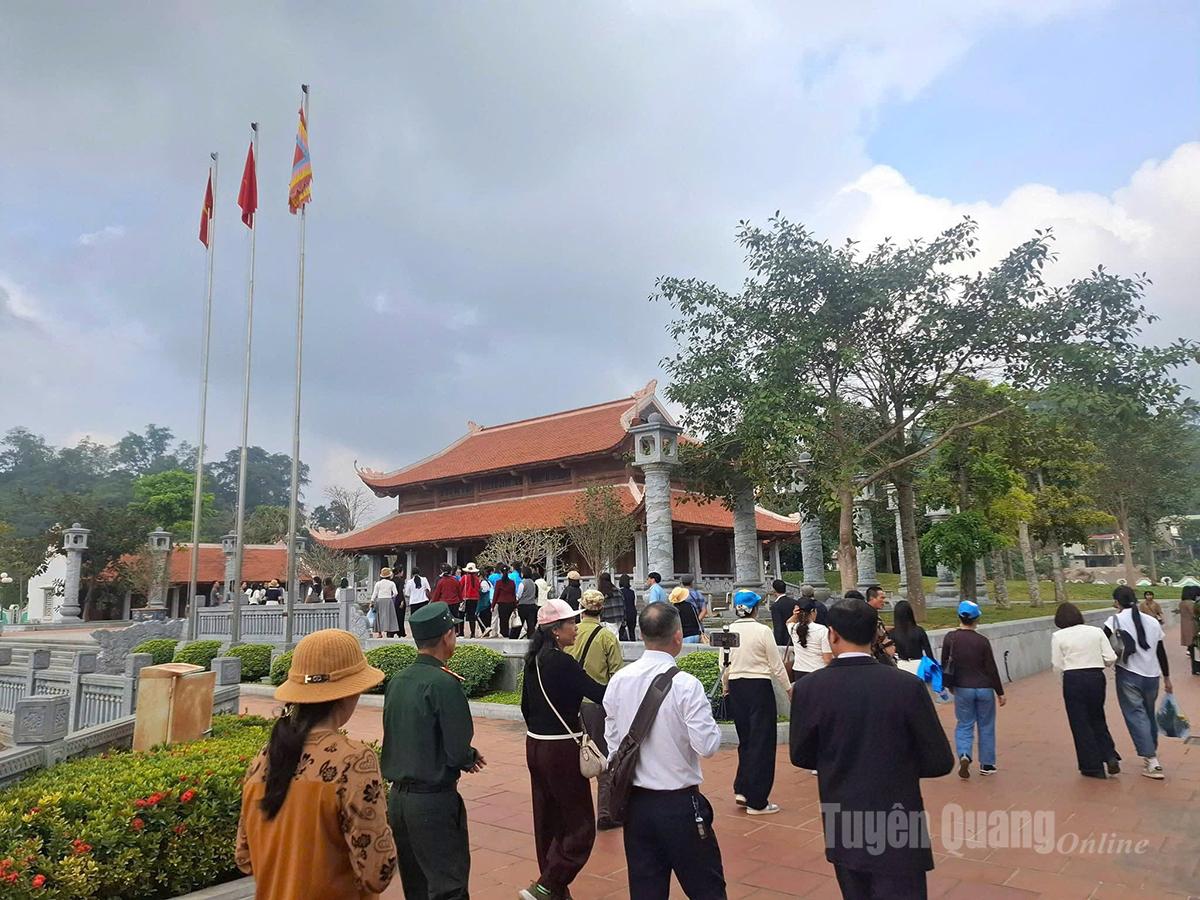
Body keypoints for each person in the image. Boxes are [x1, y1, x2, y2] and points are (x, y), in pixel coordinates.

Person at [790, 599, 955, 899]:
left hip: (844, 817)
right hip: (898, 817)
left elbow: (800, 754)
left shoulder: (808, 688)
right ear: (876, 636)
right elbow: (940, 760)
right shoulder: (906, 686)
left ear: (833, 635)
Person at [236, 629, 396, 899]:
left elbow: (244, 858)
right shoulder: (354, 760)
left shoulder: (265, 758)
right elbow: (377, 872)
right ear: (348, 693)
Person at [604, 602, 725, 900]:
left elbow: (613, 746)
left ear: (642, 634)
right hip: (679, 804)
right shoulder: (686, 685)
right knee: (707, 888)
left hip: (636, 805)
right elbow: (707, 746)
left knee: (646, 890)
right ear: (678, 636)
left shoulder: (619, 680)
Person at [383, 603, 486, 899]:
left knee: (416, 886)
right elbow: (456, 751)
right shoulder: (444, 683)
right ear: (447, 636)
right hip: (432, 801)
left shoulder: (398, 680)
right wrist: (468, 757)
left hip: (399, 801)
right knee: (448, 886)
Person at [519, 599, 607, 900]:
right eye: (572, 623)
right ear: (556, 630)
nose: (577, 628)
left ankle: (553, 890)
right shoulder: (563, 662)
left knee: (548, 820)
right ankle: (548, 884)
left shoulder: (534, 660)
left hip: (535, 745)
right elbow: (598, 694)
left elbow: (525, 708)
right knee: (581, 826)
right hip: (560, 751)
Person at [722, 590, 792, 815]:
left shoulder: (728, 630)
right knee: (762, 741)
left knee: (747, 740)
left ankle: (742, 788)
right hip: (758, 687)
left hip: (736, 687)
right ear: (754, 608)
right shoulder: (763, 631)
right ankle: (757, 800)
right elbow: (776, 664)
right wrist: (789, 688)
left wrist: (726, 686)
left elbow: (724, 663)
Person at [568, 589, 625, 830]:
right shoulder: (607, 636)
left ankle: (572, 812)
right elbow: (616, 675)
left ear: (582, 608)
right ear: (601, 609)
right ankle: (604, 812)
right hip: (596, 705)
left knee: (572, 757)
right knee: (602, 757)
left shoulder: (571, 632)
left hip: (569, 704)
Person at [1104, 585, 1172, 779]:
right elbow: (1161, 651)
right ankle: (1151, 754)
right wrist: (1167, 677)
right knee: (1148, 714)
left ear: (1116, 602)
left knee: (1136, 715)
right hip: (1152, 676)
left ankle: (1152, 760)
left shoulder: (1113, 620)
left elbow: (1104, 644)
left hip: (1128, 674)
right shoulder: (1152, 621)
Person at [1051, 602, 1119, 779]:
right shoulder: (1096, 631)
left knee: (1080, 722)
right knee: (1097, 716)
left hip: (1073, 679)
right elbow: (1111, 657)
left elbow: (1057, 665)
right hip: (1095, 676)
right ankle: (1110, 755)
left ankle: (1092, 766)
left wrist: (1063, 682)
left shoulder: (1058, 636)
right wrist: (1097, 664)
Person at [941, 600, 1006, 778]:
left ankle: (964, 754)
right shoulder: (982, 641)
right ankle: (987, 764)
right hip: (984, 688)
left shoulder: (950, 638)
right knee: (986, 725)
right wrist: (999, 692)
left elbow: (945, 663)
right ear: (977, 618)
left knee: (964, 724)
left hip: (962, 688)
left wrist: (949, 685)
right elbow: (991, 668)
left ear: (959, 616)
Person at [787, 599, 832, 679]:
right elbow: (827, 659)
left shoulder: (793, 628)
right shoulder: (822, 630)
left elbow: (788, 622)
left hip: (799, 670)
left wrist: (795, 615)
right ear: (813, 611)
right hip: (818, 670)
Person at [890, 599, 933, 676]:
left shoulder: (892, 633)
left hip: (901, 666)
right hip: (919, 666)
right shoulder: (919, 630)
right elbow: (929, 653)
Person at [863, 586, 896, 665]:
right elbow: (880, 635)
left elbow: (880, 629)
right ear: (872, 598)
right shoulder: (868, 615)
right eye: (881, 598)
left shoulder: (873, 613)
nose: (884, 601)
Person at [371, 568, 401, 638]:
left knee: (379, 616)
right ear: (389, 576)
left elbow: (374, 593)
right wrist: (391, 596)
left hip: (380, 600)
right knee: (389, 616)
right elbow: (396, 593)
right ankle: (389, 632)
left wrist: (372, 601)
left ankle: (379, 633)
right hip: (388, 600)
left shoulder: (378, 583)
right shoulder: (391, 583)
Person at [768, 579, 797, 648]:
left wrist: (777, 644)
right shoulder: (794, 602)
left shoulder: (775, 606)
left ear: (774, 590)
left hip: (783, 641)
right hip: (795, 637)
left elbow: (778, 626)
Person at [492, 564, 519, 639]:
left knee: (503, 620)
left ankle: (504, 634)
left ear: (500, 572)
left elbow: (495, 595)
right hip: (510, 603)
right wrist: (515, 605)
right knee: (508, 619)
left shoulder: (498, 582)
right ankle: (507, 633)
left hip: (502, 603)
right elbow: (513, 594)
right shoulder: (512, 582)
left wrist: (492, 606)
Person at [459, 563, 483, 638]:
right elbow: (479, 588)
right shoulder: (476, 579)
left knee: (461, 616)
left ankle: (461, 633)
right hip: (475, 599)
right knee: (472, 616)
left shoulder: (464, 578)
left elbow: (460, 587)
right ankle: (472, 633)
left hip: (466, 598)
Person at [518, 566, 541, 638]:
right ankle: (531, 638)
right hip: (532, 605)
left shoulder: (522, 583)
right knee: (531, 625)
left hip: (523, 605)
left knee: (519, 623)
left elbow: (519, 595)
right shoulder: (533, 583)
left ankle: (516, 637)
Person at [619, 573, 638, 641]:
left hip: (623, 614)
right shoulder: (632, 592)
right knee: (632, 632)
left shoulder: (619, 592)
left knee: (621, 632)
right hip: (632, 613)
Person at [478, 566, 494, 634]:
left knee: (480, 617)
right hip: (489, 602)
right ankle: (487, 629)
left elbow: (483, 591)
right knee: (487, 618)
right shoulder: (488, 582)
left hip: (484, 603)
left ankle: (484, 629)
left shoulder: (483, 583)